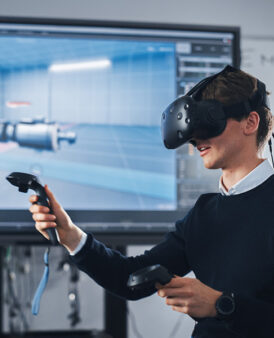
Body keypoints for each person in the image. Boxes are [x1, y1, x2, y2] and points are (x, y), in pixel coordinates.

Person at [28, 67, 274, 337]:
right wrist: (71, 236)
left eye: (210, 122)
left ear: (250, 123)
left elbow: (228, 307)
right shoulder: (203, 214)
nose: (196, 138)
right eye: (193, 128)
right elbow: (130, 279)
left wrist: (222, 305)